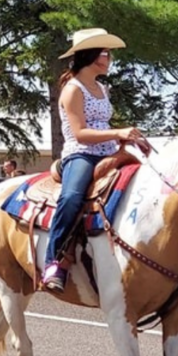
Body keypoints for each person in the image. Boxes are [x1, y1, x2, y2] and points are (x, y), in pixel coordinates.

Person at [42, 28, 150, 291]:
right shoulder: (72, 89)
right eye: (105, 52)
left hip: (109, 151)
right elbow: (80, 133)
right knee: (71, 198)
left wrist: (129, 140)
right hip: (82, 154)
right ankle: (53, 261)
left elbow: (102, 123)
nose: (109, 57)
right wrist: (118, 132)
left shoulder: (102, 87)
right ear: (92, 56)